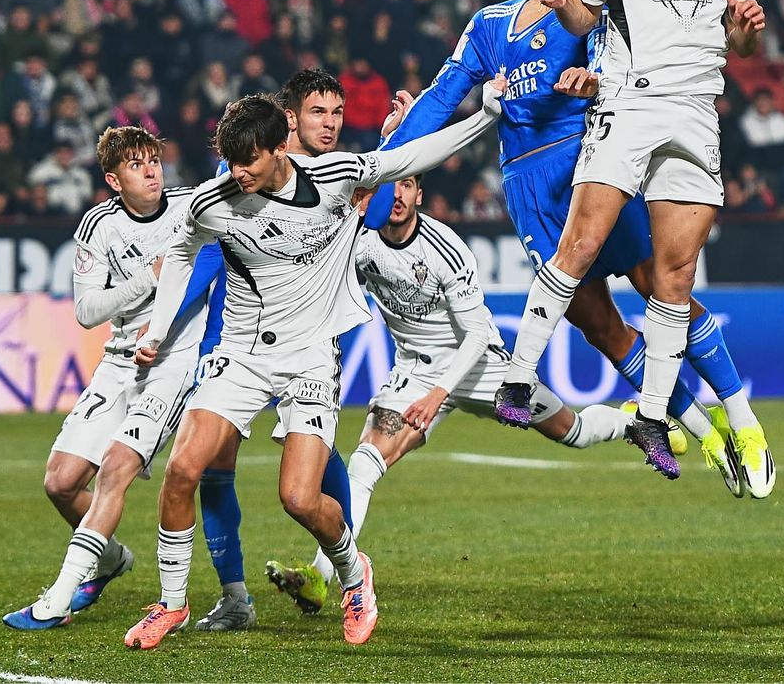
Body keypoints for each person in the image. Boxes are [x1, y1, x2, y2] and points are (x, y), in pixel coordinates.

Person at [361, 0, 769, 498]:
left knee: (664, 289)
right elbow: (444, 99)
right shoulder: (490, 25)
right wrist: (385, 160)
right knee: (602, 327)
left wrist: (596, 82)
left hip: (594, 166)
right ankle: (703, 430)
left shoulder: (598, 16)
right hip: (531, 192)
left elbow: (628, 71)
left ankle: (744, 419)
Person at [120, 80, 504, 650]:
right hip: (244, 355)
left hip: (310, 359)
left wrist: (485, 118)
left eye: (246, 162)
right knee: (181, 471)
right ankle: (171, 603)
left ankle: (354, 575)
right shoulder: (214, 199)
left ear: (280, 149)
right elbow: (180, 250)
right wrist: (157, 329)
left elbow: (412, 155)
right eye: (228, 161)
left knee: (299, 498)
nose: (236, 174)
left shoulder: (334, 178)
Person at [496, 0, 768, 486]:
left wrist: (748, 29)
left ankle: (652, 414)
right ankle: (517, 376)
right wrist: (561, 5)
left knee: (674, 281)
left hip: (697, 112)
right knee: (581, 245)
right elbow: (585, 17)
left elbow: (745, 40)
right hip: (630, 102)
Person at [267, 173, 647, 608]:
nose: (398, 195)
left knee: (572, 431)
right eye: (391, 186)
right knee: (365, 464)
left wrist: (438, 394)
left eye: (408, 185)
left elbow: (476, 336)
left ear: (419, 195)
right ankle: (321, 578)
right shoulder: (360, 243)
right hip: (415, 373)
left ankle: (630, 422)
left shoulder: (444, 248)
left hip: (480, 367)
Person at [3, 127, 221, 629]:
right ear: (112, 179)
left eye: (155, 160)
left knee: (115, 469)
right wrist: (148, 275)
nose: (151, 171)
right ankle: (110, 559)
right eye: (137, 165)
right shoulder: (98, 226)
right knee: (59, 482)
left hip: (173, 365)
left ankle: (59, 597)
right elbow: (85, 311)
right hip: (119, 363)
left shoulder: (192, 208)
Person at [191, 68, 363, 633]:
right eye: (318, 112)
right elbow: (209, 257)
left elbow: (379, 196)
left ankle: (338, 568)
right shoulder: (243, 176)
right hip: (235, 339)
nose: (330, 124)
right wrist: (172, 329)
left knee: (311, 470)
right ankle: (235, 595)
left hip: (309, 340)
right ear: (289, 123)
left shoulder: (340, 175)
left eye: (336, 113)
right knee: (212, 466)